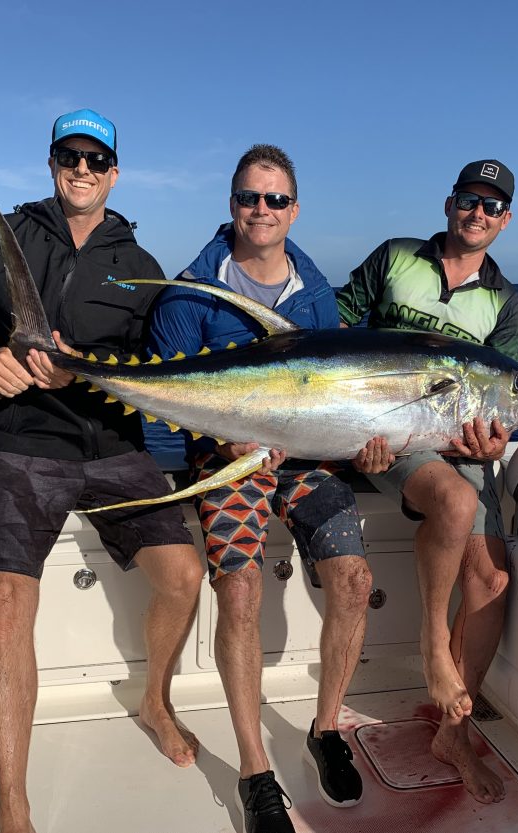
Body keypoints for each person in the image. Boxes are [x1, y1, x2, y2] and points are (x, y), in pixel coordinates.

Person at [0, 109, 205, 833]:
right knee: (9, 602)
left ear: (114, 172)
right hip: (19, 440)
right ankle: (14, 802)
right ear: (50, 162)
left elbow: (161, 365)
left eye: (96, 158)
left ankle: (155, 700)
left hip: (113, 444)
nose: (82, 168)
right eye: (69, 155)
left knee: (184, 575)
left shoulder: (139, 266)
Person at [149, 145, 389, 833]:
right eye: (251, 198)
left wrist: (364, 451)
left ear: (294, 209)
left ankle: (324, 728)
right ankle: (256, 769)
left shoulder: (316, 296)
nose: (262, 210)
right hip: (227, 459)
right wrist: (228, 444)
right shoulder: (192, 291)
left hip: (304, 459)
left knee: (352, 577)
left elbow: (339, 399)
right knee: (241, 586)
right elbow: (176, 397)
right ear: (232, 205)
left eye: (275, 199)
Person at [335, 159, 518, 805]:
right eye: (470, 200)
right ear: (449, 205)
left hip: (457, 441)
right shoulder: (395, 258)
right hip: (388, 434)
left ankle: (453, 731)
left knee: (493, 578)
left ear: (505, 220)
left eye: (492, 206)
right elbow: (333, 326)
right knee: (454, 497)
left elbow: (503, 395)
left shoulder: (505, 301)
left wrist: (495, 438)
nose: (479, 213)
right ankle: (433, 657)